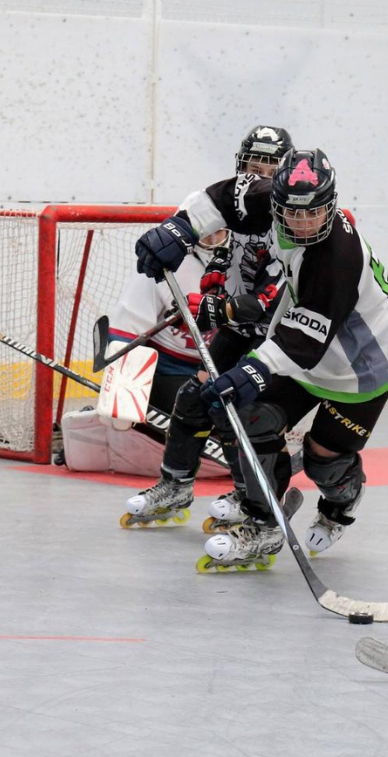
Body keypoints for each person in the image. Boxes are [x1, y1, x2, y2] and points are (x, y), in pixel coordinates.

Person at [131, 148, 388, 573]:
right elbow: (222, 197)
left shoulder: (336, 256)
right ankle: (264, 522)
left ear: (331, 204)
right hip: (307, 347)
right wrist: (180, 227)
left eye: (315, 213)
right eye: (293, 213)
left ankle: (342, 502)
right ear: (277, 201)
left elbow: (304, 340)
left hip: (365, 364)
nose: (304, 223)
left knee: (325, 462)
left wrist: (254, 367)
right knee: (248, 416)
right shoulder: (271, 200)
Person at [116, 125, 294, 529]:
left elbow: (265, 298)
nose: (261, 173)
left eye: (271, 165)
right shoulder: (237, 211)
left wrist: (221, 309)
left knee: (238, 408)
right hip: (241, 329)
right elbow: (224, 265)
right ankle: (175, 485)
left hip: (279, 337)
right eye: (254, 163)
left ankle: (252, 496)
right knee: (195, 397)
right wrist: (210, 294)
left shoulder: (290, 221)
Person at [61, 241, 230, 479]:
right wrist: (123, 391)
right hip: (168, 372)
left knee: (244, 418)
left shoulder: (250, 260)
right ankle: (110, 433)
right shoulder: (170, 261)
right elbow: (129, 324)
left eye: (220, 231)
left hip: (220, 368)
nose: (212, 238)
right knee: (190, 413)